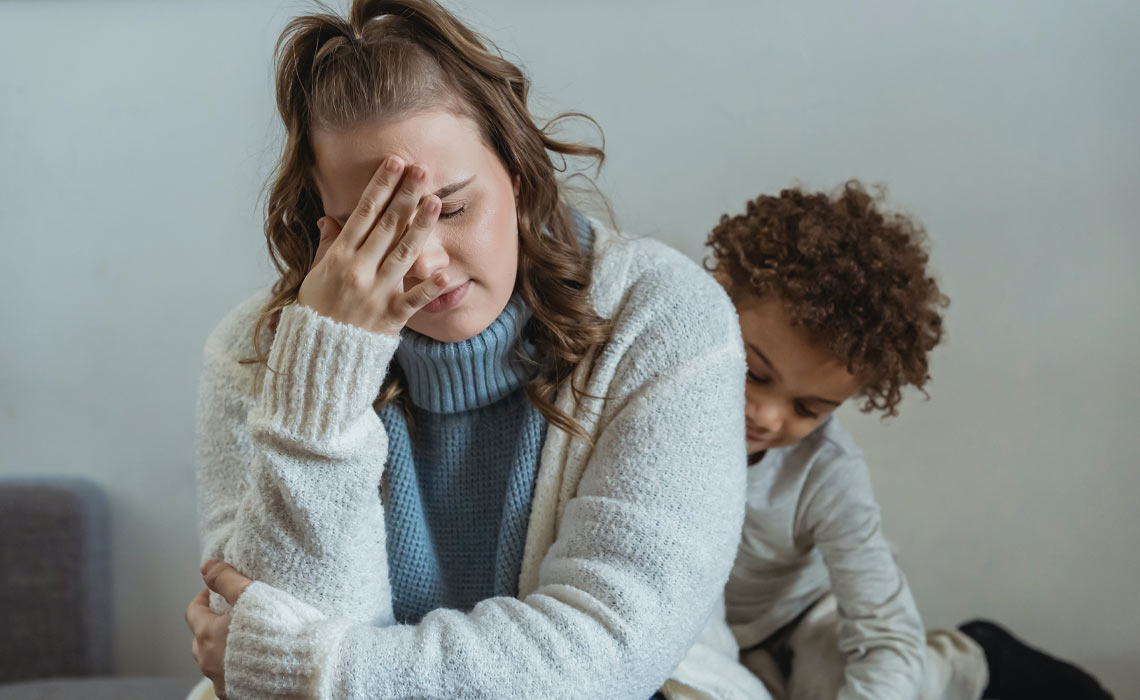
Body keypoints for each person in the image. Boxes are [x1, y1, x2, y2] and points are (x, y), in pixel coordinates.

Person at [182, 1, 767, 699]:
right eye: (377, 229)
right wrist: (326, 373)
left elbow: (606, 654)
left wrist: (317, 671)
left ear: (515, 173)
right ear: (328, 227)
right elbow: (270, 621)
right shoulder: (256, 355)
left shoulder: (665, 319)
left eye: (452, 209)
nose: (426, 265)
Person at [707, 181, 1115, 700]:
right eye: (756, 373)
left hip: (808, 618)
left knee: (863, 681)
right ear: (715, 294)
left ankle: (970, 659)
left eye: (807, 409)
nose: (764, 416)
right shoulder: (648, 399)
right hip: (716, 636)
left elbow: (884, 632)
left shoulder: (826, 472)